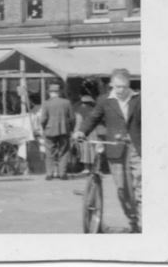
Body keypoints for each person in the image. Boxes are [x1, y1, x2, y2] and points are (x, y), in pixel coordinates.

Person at [75, 68, 142, 233]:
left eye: (124, 86)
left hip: (137, 148)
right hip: (115, 148)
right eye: (117, 86)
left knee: (141, 185)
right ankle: (133, 221)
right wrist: (81, 131)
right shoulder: (105, 100)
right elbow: (93, 117)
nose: (120, 90)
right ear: (112, 84)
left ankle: (145, 222)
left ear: (129, 85)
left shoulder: (139, 99)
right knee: (122, 189)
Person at [40, 83, 75, 180]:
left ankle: (49, 173)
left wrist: (44, 128)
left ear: (50, 93)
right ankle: (62, 173)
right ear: (59, 92)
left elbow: (43, 119)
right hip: (64, 130)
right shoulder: (66, 103)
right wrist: (71, 129)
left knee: (49, 152)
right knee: (63, 152)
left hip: (50, 131)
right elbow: (72, 118)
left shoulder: (46, 103)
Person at [73, 94, 99, 174]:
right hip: (93, 132)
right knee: (94, 150)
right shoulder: (94, 110)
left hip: (83, 132)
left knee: (84, 151)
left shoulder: (78, 111)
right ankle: (95, 168)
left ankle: (86, 168)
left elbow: (78, 123)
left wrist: (76, 132)